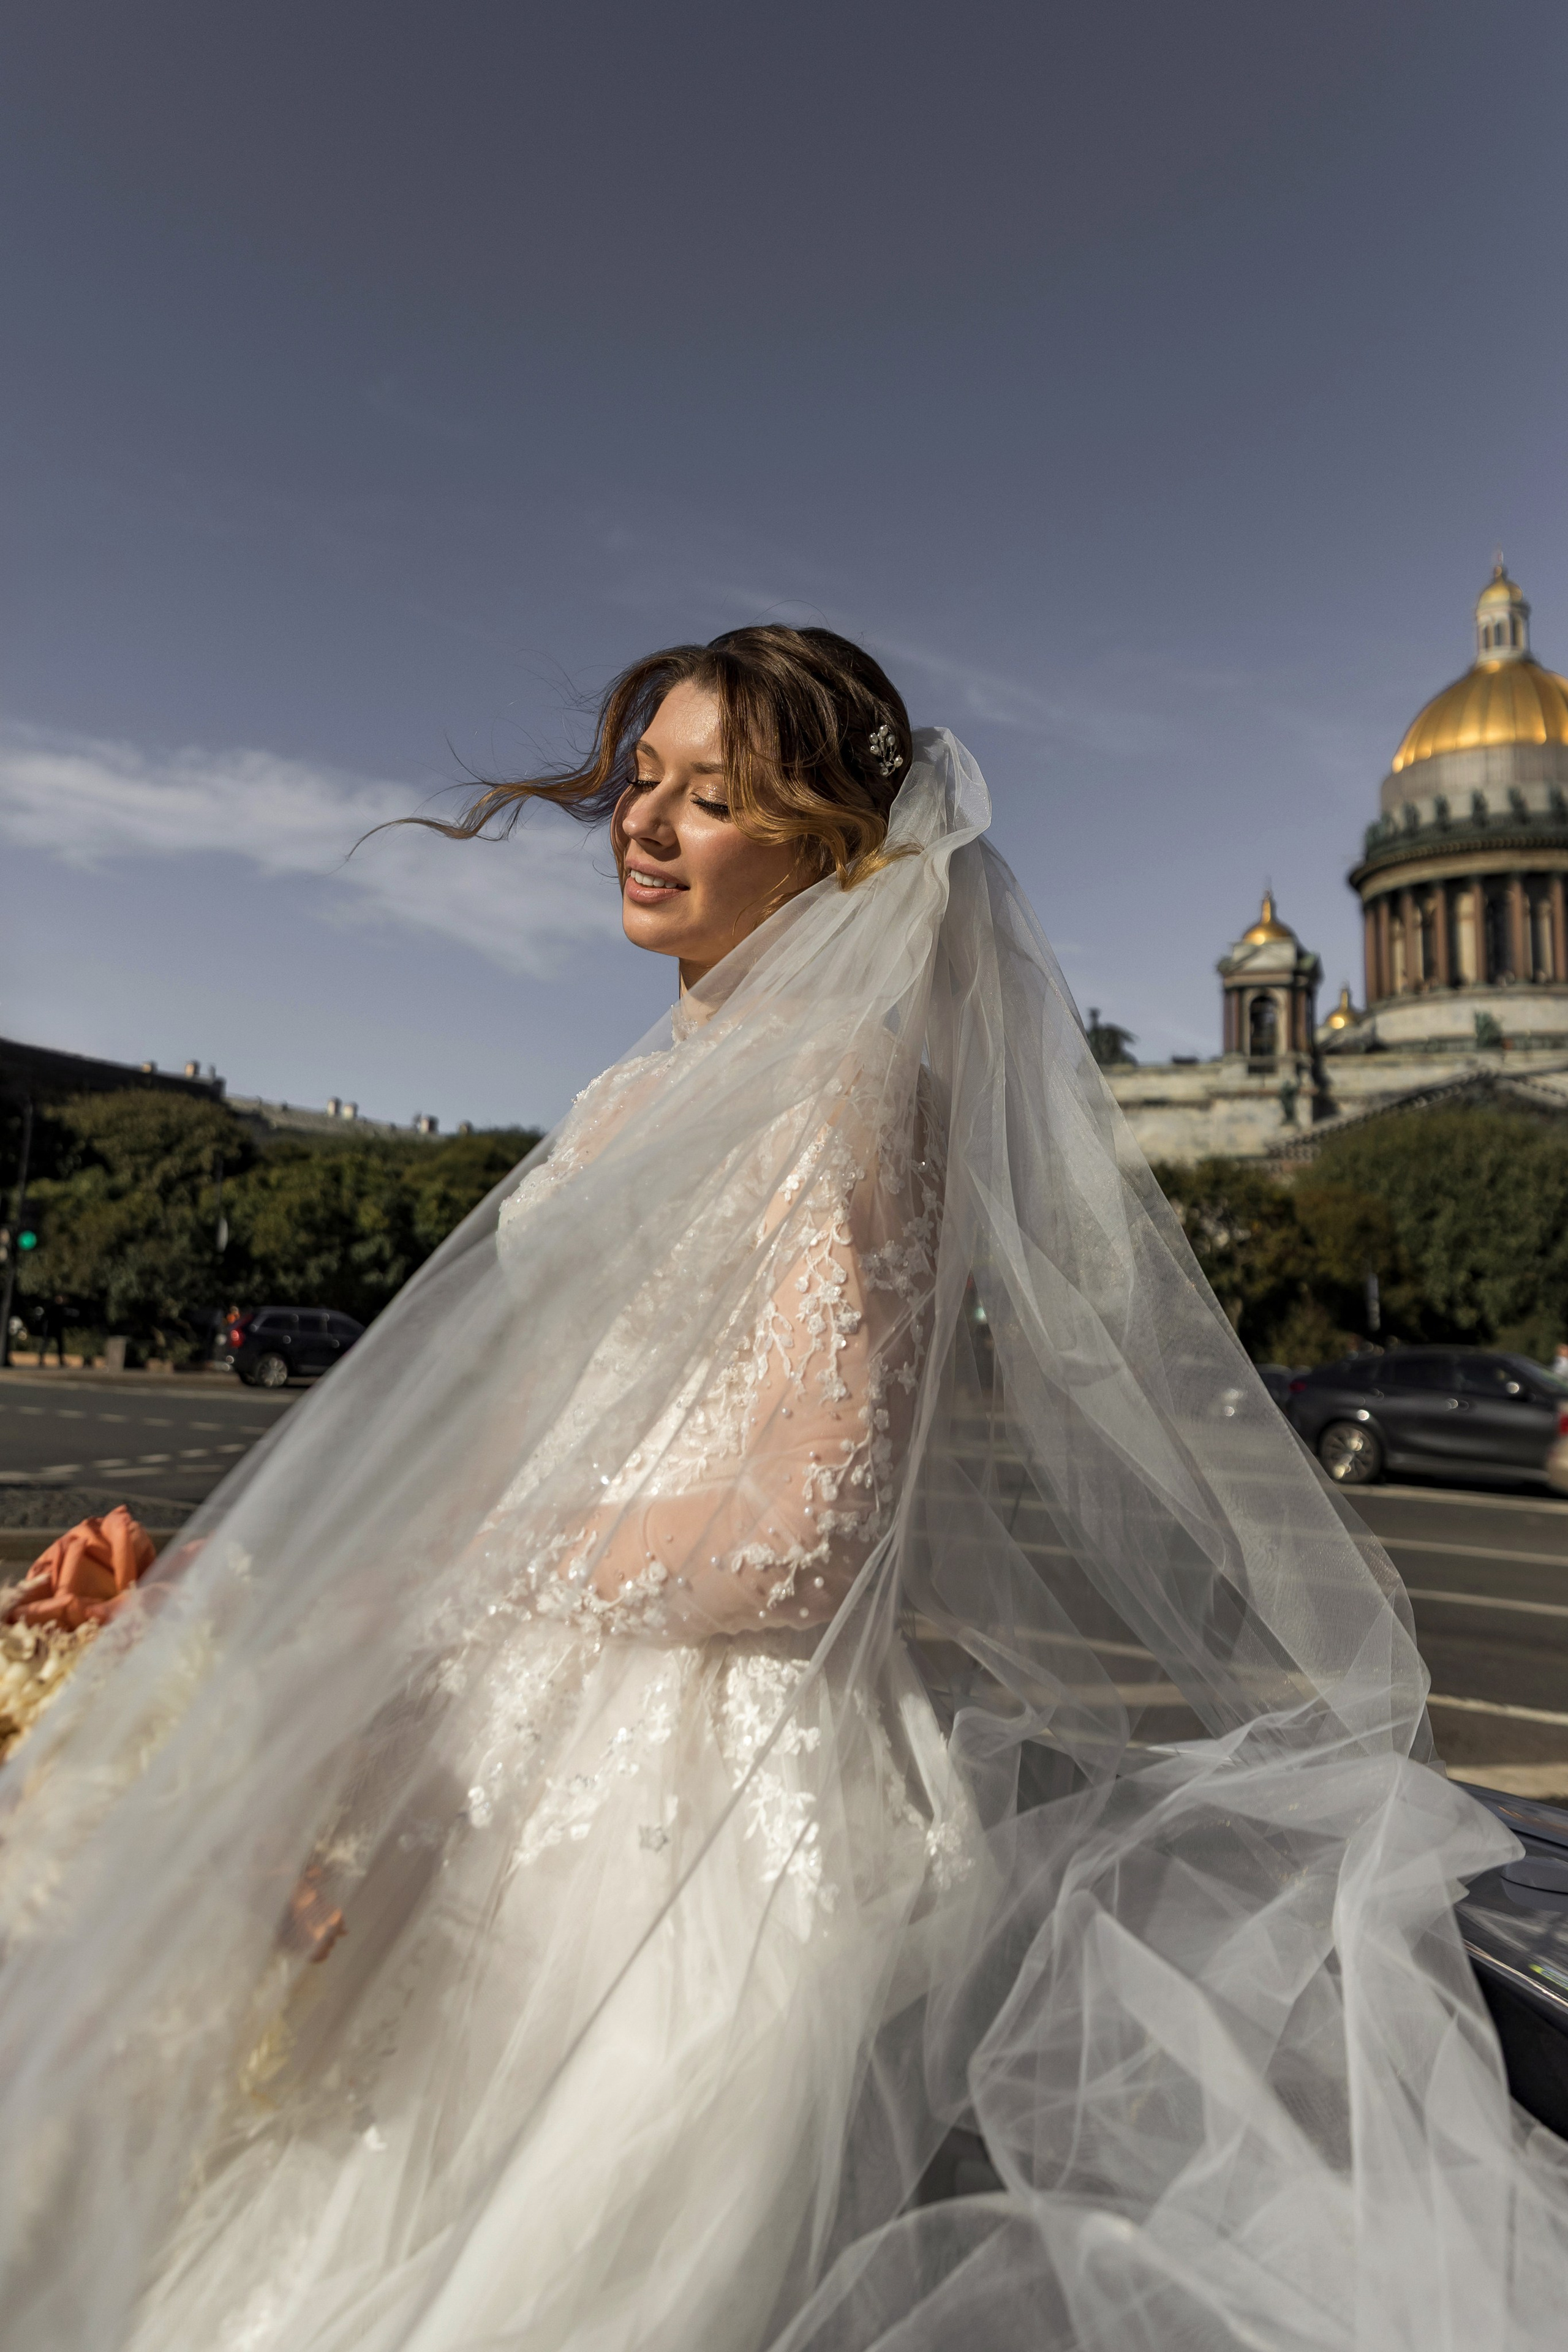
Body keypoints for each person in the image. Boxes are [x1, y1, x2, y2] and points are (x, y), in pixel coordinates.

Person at [0, 627, 1564, 2351]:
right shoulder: (635, 1096)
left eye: (714, 797)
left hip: (695, 1796)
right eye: (640, 782)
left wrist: (502, 1567)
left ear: (832, 847)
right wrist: (218, 1582)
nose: (646, 823)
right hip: (514, 1739)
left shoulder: (839, 1080)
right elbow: (503, 1452)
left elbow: (805, 1526)